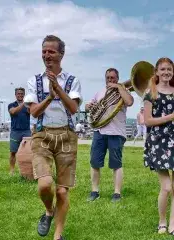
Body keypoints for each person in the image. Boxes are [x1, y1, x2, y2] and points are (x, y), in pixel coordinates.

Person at [24, 35, 82, 240]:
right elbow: (34, 112)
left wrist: (57, 88)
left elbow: (74, 108)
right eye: (44, 51)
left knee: (63, 192)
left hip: (67, 135)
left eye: (51, 51)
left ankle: (58, 236)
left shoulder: (73, 81)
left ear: (61, 54)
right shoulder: (34, 81)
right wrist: (49, 95)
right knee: (45, 184)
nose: (46, 55)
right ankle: (49, 211)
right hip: (42, 135)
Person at [85, 68, 134, 202]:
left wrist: (119, 87)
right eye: (108, 78)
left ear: (117, 79)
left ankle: (117, 193)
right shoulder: (99, 92)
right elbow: (88, 107)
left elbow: (129, 102)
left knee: (116, 164)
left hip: (116, 132)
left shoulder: (123, 91)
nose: (110, 80)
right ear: (105, 78)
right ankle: (94, 191)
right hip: (99, 131)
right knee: (94, 162)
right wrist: (89, 106)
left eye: (113, 78)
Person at [143, 57, 174, 235]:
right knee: (167, 187)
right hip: (158, 143)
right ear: (156, 72)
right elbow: (147, 121)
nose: (166, 73)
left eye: (169, 69)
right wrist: (170, 117)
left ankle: (172, 224)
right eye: (163, 69)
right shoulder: (150, 93)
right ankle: (162, 221)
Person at [8, 87, 31, 175]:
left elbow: (32, 113)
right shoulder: (11, 105)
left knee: (28, 152)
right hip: (15, 132)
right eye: (18, 94)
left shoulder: (28, 105)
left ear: (24, 95)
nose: (20, 95)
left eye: (22, 94)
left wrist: (28, 105)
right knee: (13, 152)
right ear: (15, 95)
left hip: (26, 131)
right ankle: (12, 170)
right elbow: (13, 112)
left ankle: (27, 170)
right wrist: (23, 104)